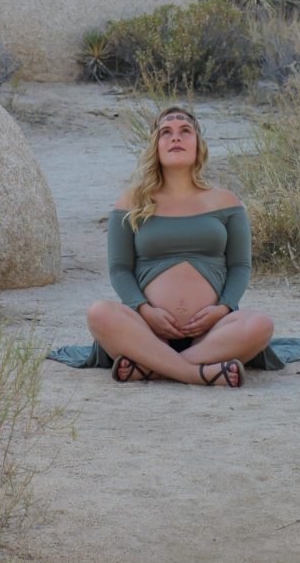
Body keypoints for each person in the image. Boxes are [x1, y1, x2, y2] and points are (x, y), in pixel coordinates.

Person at [86, 105, 274, 388]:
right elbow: (120, 269)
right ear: (155, 146)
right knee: (99, 313)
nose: (176, 137)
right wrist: (144, 310)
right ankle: (195, 373)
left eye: (185, 130)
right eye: (166, 132)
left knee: (260, 324)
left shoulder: (226, 202)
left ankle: (154, 367)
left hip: (212, 333)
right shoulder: (130, 203)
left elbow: (240, 266)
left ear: (198, 145)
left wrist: (222, 309)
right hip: (146, 329)